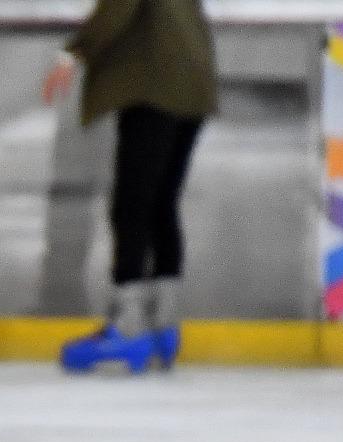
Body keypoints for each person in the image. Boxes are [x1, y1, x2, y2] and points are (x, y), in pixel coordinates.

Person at [42, 0, 216, 372]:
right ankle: (163, 325)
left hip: (156, 87)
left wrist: (73, 53)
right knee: (160, 204)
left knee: (132, 205)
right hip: (193, 84)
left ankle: (128, 327)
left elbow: (118, 8)